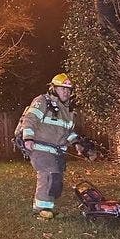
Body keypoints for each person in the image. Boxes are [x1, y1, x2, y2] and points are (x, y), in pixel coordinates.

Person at [16, 72, 83, 219]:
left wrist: (76, 143)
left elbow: (68, 131)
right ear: (53, 89)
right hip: (40, 148)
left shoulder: (68, 110)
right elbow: (30, 119)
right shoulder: (42, 101)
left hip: (56, 152)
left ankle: (48, 208)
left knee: (55, 179)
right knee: (47, 175)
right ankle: (40, 211)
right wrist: (28, 138)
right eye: (62, 88)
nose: (66, 92)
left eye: (68, 89)